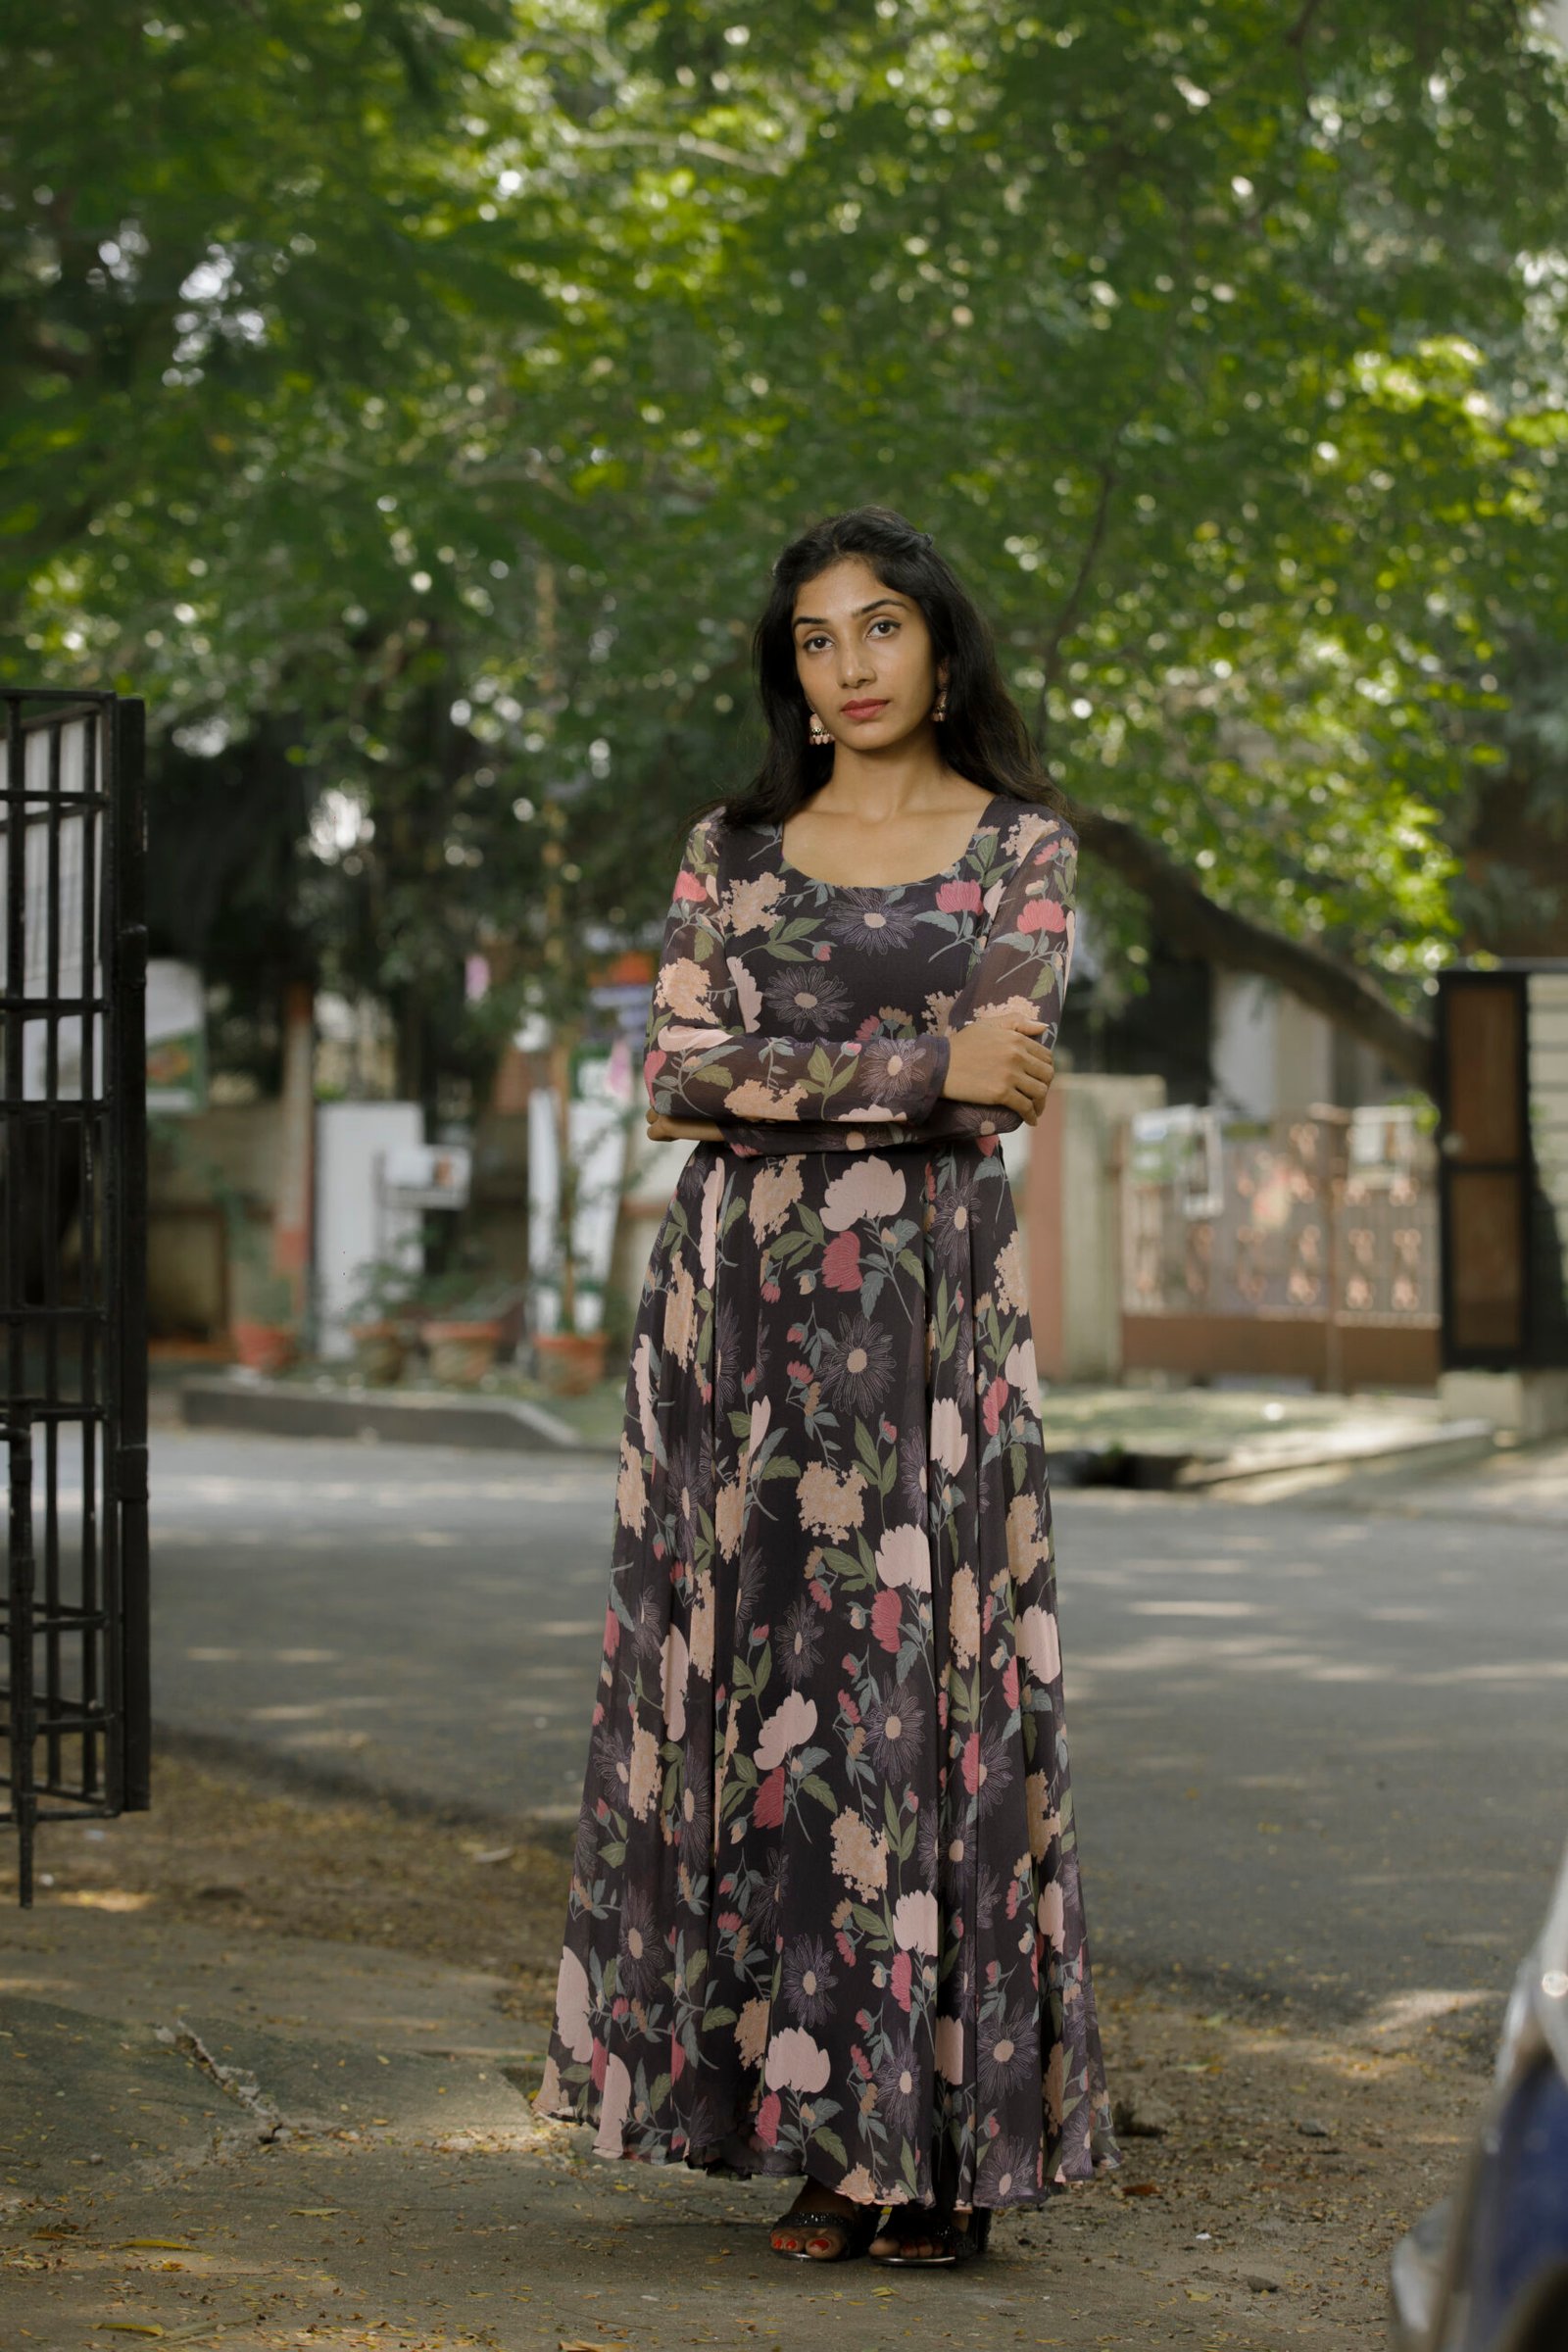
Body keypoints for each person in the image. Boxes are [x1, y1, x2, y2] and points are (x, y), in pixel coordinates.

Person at [534, 504, 1118, 2267]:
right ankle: (818, 2133)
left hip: (930, 1329)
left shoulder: (1024, 844)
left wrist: (824, 1074)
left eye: (878, 630)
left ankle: (929, 2150)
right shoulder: (737, 844)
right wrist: (919, 1058)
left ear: (941, 646)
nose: (846, 668)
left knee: (919, 1704)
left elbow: (1003, 1085)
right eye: (811, 638)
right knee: (773, 1705)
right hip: (746, 1326)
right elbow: (674, 1075)